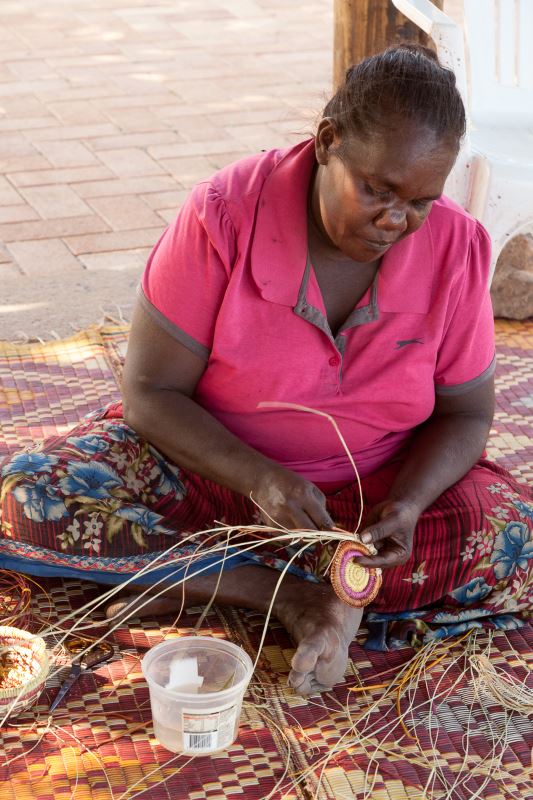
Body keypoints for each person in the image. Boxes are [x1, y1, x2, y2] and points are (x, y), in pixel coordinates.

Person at [1, 45, 531, 697]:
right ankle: (291, 596)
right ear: (327, 142)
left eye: (419, 201)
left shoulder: (455, 246)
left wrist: (408, 506)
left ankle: (184, 573)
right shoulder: (223, 215)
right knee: (27, 493)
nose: (396, 220)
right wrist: (261, 480)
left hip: (366, 504)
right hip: (206, 474)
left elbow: (467, 414)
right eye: (376, 190)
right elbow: (148, 394)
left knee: (516, 537)